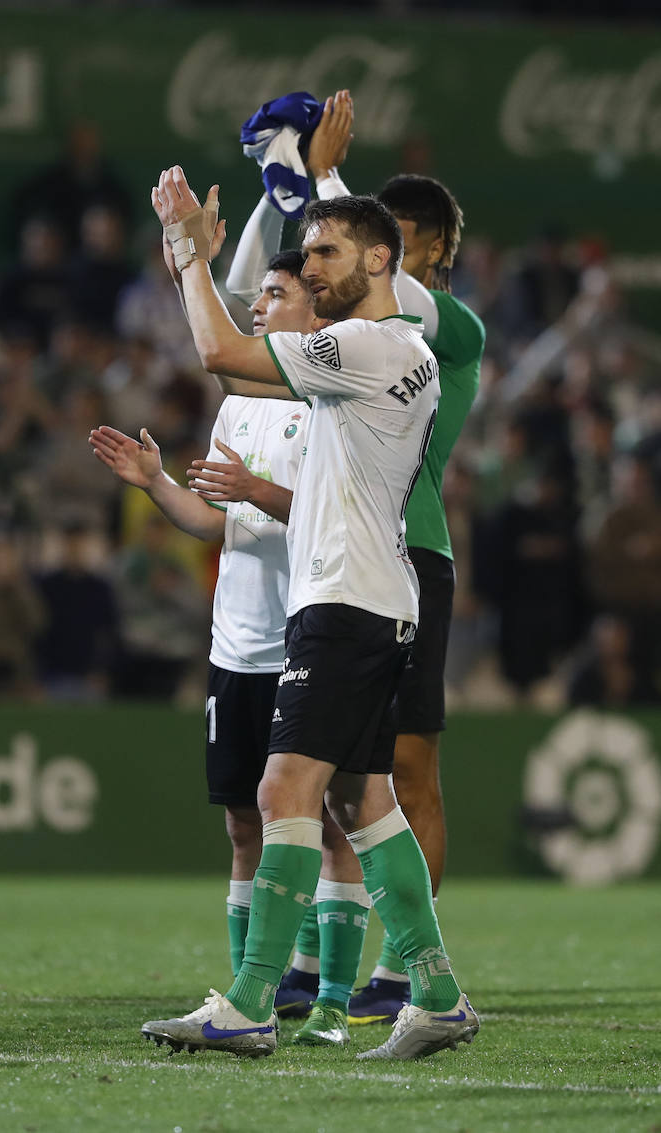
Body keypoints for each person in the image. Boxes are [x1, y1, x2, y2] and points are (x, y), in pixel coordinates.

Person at [139, 167, 476, 1061]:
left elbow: (220, 354)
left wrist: (185, 254)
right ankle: (436, 991)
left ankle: (250, 1000)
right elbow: (255, 369)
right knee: (367, 804)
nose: (313, 263)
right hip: (373, 595)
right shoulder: (394, 354)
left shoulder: (372, 347)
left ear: (379, 257)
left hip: (343, 600)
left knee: (282, 790)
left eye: (328, 249)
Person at [248, 92, 486, 1025]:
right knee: (357, 778)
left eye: (405, 238)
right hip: (351, 550)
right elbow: (264, 317)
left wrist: (316, 176)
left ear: (423, 254)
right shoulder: (363, 323)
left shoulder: (450, 329)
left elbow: (390, 295)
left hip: (406, 552)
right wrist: (292, 184)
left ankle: (400, 966)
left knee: (403, 768)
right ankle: (406, 972)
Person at [93, 249, 368, 1047]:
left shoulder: (333, 406)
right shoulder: (238, 409)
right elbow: (221, 523)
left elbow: (330, 512)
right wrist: (156, 485)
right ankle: (256, 986)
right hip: (234, 645)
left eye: (275, 295)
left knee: (331, 824)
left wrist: (254, 490)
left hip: (308, 638)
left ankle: (333, 1001)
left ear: (314, 317)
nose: (257, 307)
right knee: (245, 827)